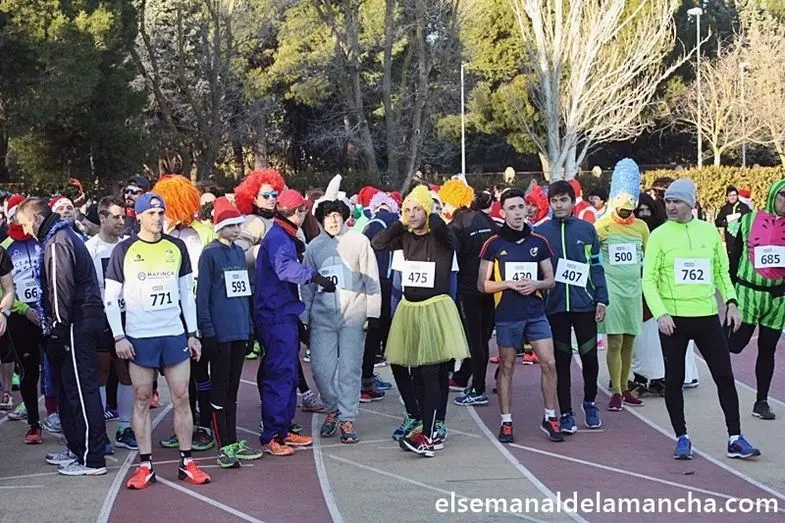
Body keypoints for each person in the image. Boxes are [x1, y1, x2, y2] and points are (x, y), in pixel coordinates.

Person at [642, 178, 761, 460]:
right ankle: (682, 437)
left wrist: (731, 302)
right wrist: (661, 313)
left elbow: (721, 272)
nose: (671, 206)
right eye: (668, 201)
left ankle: (735, 438)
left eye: (677, 201)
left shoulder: (708, 232)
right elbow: (648, 280)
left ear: (691, 204)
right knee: (674, 380)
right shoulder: (659, 235)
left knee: (724, 376)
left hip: (706, 316)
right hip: (674, 320)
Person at [104, 192, 211, 488]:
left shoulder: (176, 247)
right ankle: (145, 465)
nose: (158, 218)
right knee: (141, 398)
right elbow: (111, 298)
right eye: (151, 213)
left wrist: (193, 333)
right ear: (138, 216)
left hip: (173, 333)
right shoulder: (124, 250)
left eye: (161, 213)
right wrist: (118, 336)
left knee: (182, 396)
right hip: (140, 336)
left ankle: (187, 462)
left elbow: (186, 294)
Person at [371, 185, 470, 457]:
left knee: (431, 372)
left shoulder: (440, 236)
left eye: (417, 209)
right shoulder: (405, 236)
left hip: (435, 309)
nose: (412, 214)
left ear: (427, 210)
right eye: (407, 210)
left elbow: (449, 238)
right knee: (405, 366)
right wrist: (400, 222)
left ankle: (431, 432)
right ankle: (421, 419)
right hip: (410, 309)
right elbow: (378, 243)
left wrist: (430, 211)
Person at [16, 197, 107, 476]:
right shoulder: (58, 237)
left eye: (25, 224)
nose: (25, 230)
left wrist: (56, 329)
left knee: (82, 389)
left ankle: (93, 459)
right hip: (74, 321)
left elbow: (60, 288)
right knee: (70, 390)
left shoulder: (58, 242)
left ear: (36, 218)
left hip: (77, 322)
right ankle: (78, 449)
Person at [477, 188, 560, 443]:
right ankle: (506, 421)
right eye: (511, 208)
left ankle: (550, 417)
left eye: (520, 207)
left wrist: (536, 284)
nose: (517, 212)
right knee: (507, 366)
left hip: (535, 313)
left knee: (549, 363)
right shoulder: (493, 244)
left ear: (527, 210)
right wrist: (507, 284)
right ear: (502, 212)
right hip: (507, 314)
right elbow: (482, 285)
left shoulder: (538, 242)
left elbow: (551, 280)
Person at [254, 189, 334, 456]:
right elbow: (285, 269)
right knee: (279, 374)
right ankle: (272, 434)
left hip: (282, 312)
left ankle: (283, 427)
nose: (305, 214)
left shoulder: (282, 234)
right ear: (297, 212)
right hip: (275, 314)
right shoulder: (279, 237)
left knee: (287, 373)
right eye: (303, 210)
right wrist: (315, 276)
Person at [302, 195, 381, 444]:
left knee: (349, 368)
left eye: (337, 216)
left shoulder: (359, 242)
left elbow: (371, 278)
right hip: (322, 319)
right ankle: (332, 408)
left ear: (344, 217)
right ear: (321, 220)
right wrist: (304, 316)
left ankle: (347, 417)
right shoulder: (313, 247)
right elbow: (307, 285)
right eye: (328, 217)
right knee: (320, 369)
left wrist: (373, 313)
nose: (333, 221)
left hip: (353, 316)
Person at [535, 181, 608, 434]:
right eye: (554, 201)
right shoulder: (541, 232)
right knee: (561, 361)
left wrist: (602, 298)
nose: (559, 205)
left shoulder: (587, 230)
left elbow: (597, 266)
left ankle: (590, 403)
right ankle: (566, 412)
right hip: (555, 307)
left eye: (563, 200)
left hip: (584, 305)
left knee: (590, 358)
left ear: (573, 201)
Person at [197, 197, 264, 468]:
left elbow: (243, 292)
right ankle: (224, 446)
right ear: (219, 227)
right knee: (220, 389)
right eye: (231, 225)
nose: (236, 230)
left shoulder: (238, 253)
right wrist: (208, 331)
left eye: (238, 225)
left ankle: (233, 440)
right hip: (219, 333)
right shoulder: (209, 254)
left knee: (232, 390)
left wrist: (249, 327)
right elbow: (202, 297)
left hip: (239, 331)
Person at [727, 180, 785, 420]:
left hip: (777, 298)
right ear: (773, 195)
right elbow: (734, 256)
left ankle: (761, 401)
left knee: (768, 349)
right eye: (783, 195)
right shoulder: (748, 220)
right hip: (747, 294)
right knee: (734, 345)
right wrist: (730, 296)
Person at [84, 196, 137, 452]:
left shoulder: (129, 246)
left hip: (129, 315)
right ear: (102, 218)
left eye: (123, 216)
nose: (121, 221)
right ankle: (99, 431)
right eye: (115, 217)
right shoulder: (89, 248)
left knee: (126, 372)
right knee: (101, 371)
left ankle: (125, 428)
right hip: (100, 317)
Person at [595, 159, 649, 410]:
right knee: (615, 341)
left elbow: (649, 258)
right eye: (621, 210)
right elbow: (590, 256)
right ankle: (616, 390)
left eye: (628, 211)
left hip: (633, 290)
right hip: (612, 290)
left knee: (629, 341)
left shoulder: (641, 227)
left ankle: (626, 387)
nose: (624, 214)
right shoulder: (602, 225)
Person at [1, 195, 46, 440]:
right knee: (29, 370)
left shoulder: (41, 240)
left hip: (47, 312)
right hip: (21, 317)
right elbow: (4, 289)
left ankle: (58, 414)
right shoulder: (6, 246)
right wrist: (23, 310)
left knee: (56, 367)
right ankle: (34, 423)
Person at [451, 189, 498, 406]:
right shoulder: (490, 222)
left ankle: (478, 387)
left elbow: (452, 255)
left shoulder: (458, 223)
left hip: (469, 289)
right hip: (489, 288)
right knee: (482, 339)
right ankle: (468, 380)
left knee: (474, 341)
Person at [360, 192, 400, 401]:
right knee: (376, 334)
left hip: (374, 281)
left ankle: (365, 379)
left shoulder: (371, 224)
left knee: (372, 335)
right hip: (387, 281)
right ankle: (365, 381)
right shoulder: (392, 222)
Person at [715, 186, 751, 250]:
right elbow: (717, 222)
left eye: (734, 195)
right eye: (730, 195)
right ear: (727, 197)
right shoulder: (725, 208)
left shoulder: (744, 207)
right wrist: (725, 223)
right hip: (730, 241)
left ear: (737, 196)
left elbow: (750, 218)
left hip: (742, 239)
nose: (732, 197)